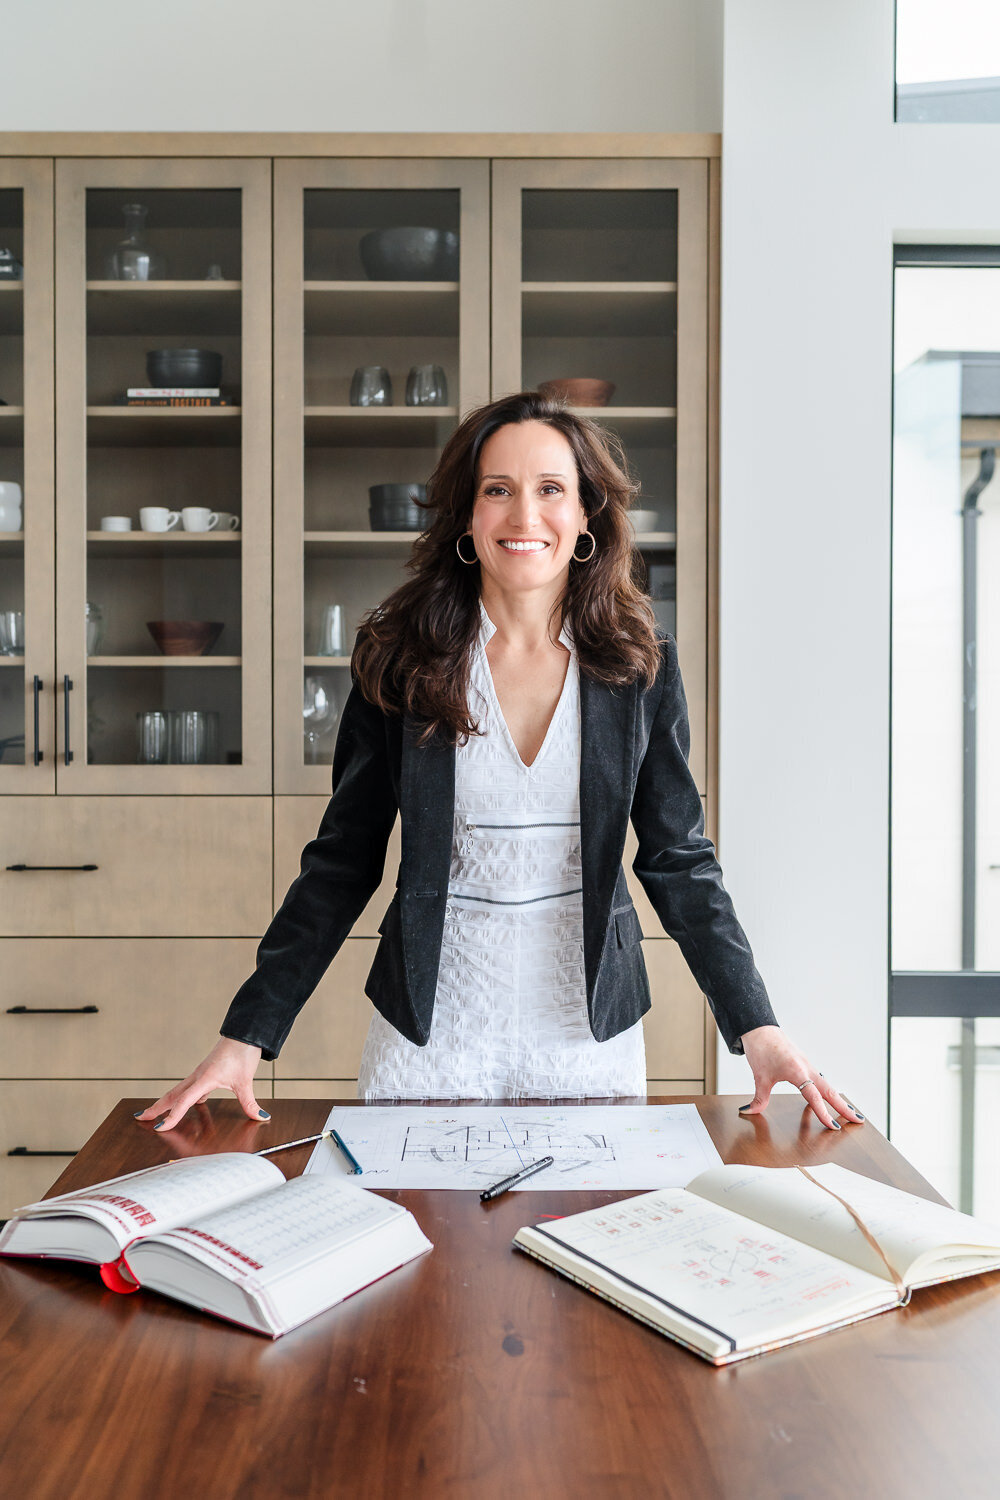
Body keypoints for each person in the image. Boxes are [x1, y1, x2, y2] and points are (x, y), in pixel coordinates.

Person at [136, 391, 863, 1134]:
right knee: (426, 1251)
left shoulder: (639, 665)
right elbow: (342, 861)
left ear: (586, 515)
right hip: (431, 1036)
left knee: (576, 1248)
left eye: (551, 490)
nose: (524, 517)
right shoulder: (400, 661)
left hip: (587, 1040)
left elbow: (678, 858)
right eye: (498, 491)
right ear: (466, 516)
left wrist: (757, 1026)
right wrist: (247, 1033)